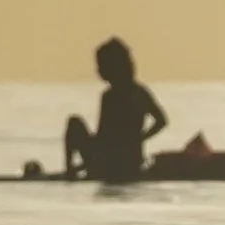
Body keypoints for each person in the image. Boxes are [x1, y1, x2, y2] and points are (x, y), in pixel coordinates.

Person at [61, 37, 168, 184]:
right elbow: (161, 121)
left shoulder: (111, 97)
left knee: (74, 122)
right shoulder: (140, 91)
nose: (98, 70)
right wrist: (139, 139)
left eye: (100, 65)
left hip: (115, 161)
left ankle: (69, 171)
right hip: (130, 160)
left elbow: (104, 138)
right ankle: (76, 170)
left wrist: (138, 139)